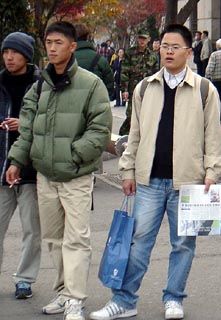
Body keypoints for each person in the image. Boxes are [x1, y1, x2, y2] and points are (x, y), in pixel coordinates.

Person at [90, 24, 221, 320]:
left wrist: (212, 172)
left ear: (189, 52)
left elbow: (212, 136)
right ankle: (124, 300)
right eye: (164, 46)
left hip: (188, 182)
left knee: (183, 245)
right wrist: (126, 171)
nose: (169, 52)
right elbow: (134, 134)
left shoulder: (204, 90)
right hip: (148, 181)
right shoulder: (144, 87)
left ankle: (174, 298)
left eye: (175, 47)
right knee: (137, 244)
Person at [6, 21, 112, 320]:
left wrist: (74, 156)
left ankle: (76, 299)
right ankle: (64, 293)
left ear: (72, 46)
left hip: (76, 176)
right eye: (48, 43)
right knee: (53, 238)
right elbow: (27, 128)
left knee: (76, 238)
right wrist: (17, 160)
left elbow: (100, 129)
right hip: (45, 175)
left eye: (58, 43)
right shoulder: (39, 85)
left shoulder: (91, 84)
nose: (52, 48)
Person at [0, 32, 41, 300]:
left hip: (30, 170)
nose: (9, 57)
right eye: (5, 52)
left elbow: (52, 123)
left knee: (32, 230)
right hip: (1, 167)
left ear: (27, 55)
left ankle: (25, 279)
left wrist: (23, 124)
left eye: (14, 52)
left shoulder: (42, 84)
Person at [118, 29, 159, 135]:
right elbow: (124, 72)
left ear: (148, 40)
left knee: (146, 115)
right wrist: (124, 89)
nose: (142, 41)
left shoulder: (152, 56)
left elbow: (156, 74)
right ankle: (123, 135)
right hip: (133, 89)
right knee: (131, 115)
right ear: (137, 38)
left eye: (144, 39)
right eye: (140, 38)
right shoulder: (130, 53)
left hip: (148, 90)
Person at [74, 23, 114, 97]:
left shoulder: (66, 59)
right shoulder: (100, 60)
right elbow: (109, 84)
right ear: (87, 37)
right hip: (96, 101)